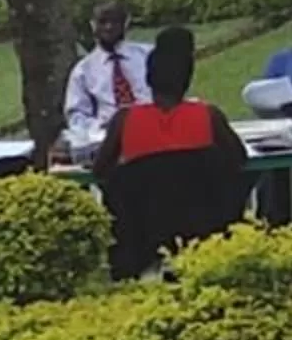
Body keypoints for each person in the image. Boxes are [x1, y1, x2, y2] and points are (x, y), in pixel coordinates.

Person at [94, 24, 252, 280]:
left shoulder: (125, 120)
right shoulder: (209, 116)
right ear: (188, 78)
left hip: (143, 235)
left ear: (148, 77)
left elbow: (100, 171)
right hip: (203, 227)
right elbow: (239, 160)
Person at [65, 0, 153, 140]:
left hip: (153, 127)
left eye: (115, 22)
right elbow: (76, 116)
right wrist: (99, 127)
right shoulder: (83, 70)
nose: (109, 27)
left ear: (126, 23)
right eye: (102, 22)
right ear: (92, 25)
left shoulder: (148, 56)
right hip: (110, 138)